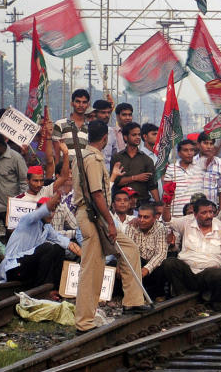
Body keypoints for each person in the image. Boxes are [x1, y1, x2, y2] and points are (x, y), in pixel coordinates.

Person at [72, 121, 149, 333]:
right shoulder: (93, 160)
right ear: (105, 140)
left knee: (129, 248)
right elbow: (97, 194)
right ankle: (84, 322)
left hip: (98, 215)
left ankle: (133, 302)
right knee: (92, 269)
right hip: (94, 216)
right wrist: (110, 223)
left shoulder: (83, 157)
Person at [157, 197, 221, 309]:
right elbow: (168, 220)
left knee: (217, 273)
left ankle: (215, 304)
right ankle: (183, 299)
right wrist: (167, 204)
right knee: (169, 263)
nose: (209, 216)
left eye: (211, 212)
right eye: (204, 213)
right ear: (195, 215)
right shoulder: (187, 222)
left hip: (208, 274)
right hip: (188, 272)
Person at [0, 194, 80, 296]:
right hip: (14, 266)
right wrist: (53, 200)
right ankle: (40, 291)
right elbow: (39, 213)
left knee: (58, 248)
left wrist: (86, 258)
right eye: (49, 211)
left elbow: (67, 243)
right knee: (47, 248)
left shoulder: (47, 228)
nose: (51, 214)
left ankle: (54, 288)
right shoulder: (27, 220)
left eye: (53, 211)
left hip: (28, 266)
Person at [124, 203, 169, 300]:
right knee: (116, 264)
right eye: (139, 216)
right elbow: (127, 250)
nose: (141, 220)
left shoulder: (161, 229)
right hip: (136, 264)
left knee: (164, 264)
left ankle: (158, 294)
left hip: (152, 268)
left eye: (146, 217)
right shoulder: (132, 226)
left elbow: (161, 254)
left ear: (154, 218)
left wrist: (146, 269)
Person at [111, 122, 160, 207]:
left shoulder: (147, 160)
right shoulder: (117, 158)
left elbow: (152, 186)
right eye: (134, 135)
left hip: (142, 203)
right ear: (125, 137)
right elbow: (116, 182)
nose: (137, 137)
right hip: (122, 204)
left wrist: (159, 205)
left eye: (139, 135)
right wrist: (136, 178)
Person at [163, 139, 205, 218]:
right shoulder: (172, 168)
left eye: (192, 150)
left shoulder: (200, 166)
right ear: (179, 153)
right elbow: (167, 192)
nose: (189, 153)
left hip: (196, 213)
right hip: (176, 213)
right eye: (185, 150)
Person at [52, 89, 91, 160]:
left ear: (88, 105)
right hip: (65, 169)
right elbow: (56, 153)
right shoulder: (60, 124)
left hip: (85, 169)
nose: (81, 105)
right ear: (72, 103)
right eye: (78, 101)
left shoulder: (91, 127)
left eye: (84, 102)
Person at [195, 132, 221, 212]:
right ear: (198, 145)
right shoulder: (192, 163)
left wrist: (220, 209)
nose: (209, 147)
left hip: (211, 209)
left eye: (211, 144)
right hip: (194, 208)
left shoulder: (219, 163)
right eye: (205, 143)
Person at [92, 100, 117, 166]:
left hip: (108, 173)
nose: (107, 115)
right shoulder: (87, 130)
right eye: (103, 112)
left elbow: (114, 155)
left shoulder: (111, 132)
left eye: (108, 113)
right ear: (95, 113)